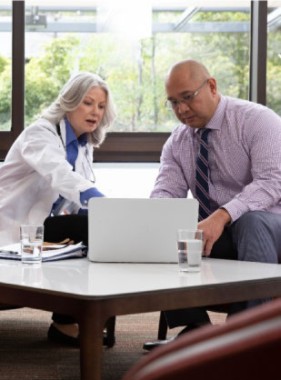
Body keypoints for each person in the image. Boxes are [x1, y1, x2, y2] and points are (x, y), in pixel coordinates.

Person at [143, 59, 281, 351]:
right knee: (166, 227)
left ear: (212, 86)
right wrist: (155, 220)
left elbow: (272, 182)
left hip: (270, 228)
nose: (180, 109)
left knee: (251, 221)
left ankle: (249, 336)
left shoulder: (257, 120)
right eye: (173, 102)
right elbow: (165, 192)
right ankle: (195, 331)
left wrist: (222, 215)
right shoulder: (178, 142)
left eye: (187, 97)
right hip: (220, 236)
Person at [0, 71, 116, 346]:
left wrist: (109, 219)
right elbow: (61, 176)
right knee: (92, 227)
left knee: (96, 228)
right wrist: (106, 209)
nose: (95, 112)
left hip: (38, 226)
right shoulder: (40, 134)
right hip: (12, 224)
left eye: (100, 106)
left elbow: (77, 197)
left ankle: (73, 319)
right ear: (69, 100)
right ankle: (65, 323)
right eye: (87, 103)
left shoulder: (83, 144)